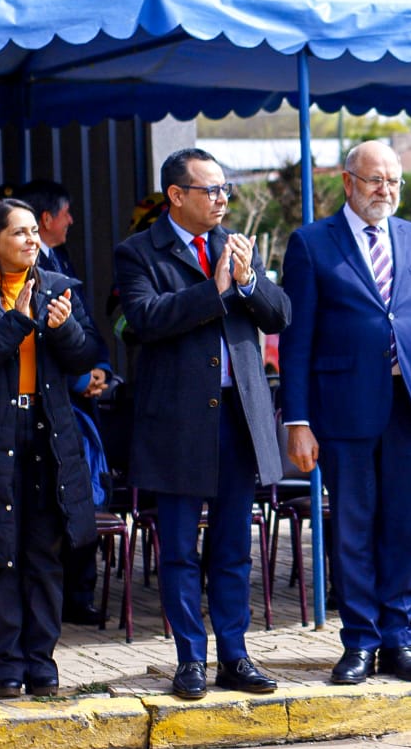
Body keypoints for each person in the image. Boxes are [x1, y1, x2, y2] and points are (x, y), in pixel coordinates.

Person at [114, 148, 290, 700]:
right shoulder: (139, 251)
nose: (221, 200)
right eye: (210, 190)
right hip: (178, 423)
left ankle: (235, 656)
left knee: (234, 545)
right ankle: (190, 657)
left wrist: (246, 282)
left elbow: (280, 314)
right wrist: (212, 291)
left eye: (225, 191)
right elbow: (141, 321)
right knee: (180, 550)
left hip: (238, 418)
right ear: (176, 196)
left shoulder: (234, 244)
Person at [280, 140, 411, 685]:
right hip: (343, 411)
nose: (387, 191)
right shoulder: (311, 244)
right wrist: (297, 421)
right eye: (376, 180)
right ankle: (359, 641)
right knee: (352, 530)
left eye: (394, 181)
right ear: (348, 183)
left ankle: (400, 640)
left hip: (409, 409)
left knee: (403, 527)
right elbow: (296, 340)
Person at [0, 198, 98, 698]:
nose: (32, 240)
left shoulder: (58, 289)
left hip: (48, 436)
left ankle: (42, 664)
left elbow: (86, 355)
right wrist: (19, 320)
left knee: (45, 554)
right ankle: (6, 667)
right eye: (20, 233)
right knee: (0, 556)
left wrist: (64, 327)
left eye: (34, 231)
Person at [18, 179, 112, 627]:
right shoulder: (8, 276)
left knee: (83, 499)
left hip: (79, 405)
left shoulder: (63, 263)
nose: (72, 220)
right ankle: (58, 602)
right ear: (45, 220)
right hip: (48, 406)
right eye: (67, 212)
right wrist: (79, 378)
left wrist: (100, 373)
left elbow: (86, 327)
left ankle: (80, 594)